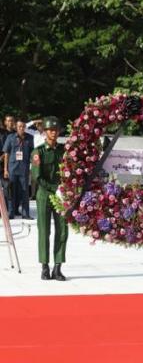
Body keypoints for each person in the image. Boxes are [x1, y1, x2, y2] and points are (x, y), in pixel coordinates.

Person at [31, 116, 68, 280]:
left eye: (55, 130)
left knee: (62, 231)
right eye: (50, 130)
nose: (53, 133)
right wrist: (55, 189)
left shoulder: (64, 151)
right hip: (45, 195)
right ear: (45, 132)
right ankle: (45, 267)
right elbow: (37, 177)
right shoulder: (38, 152)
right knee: (44, 230)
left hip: (61, 196)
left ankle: (58, 267)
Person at [3, 118, 34, 219]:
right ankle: (11, 213)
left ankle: (26, 213)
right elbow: (6, 154)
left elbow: (32, 154)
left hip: (24, 169)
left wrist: (31, 168)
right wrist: (5, 169)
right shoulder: (10, 137)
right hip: (12, 168)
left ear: (25, 127)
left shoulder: (30, 138)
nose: (21, 128)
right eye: (19, 126)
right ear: (16, 127)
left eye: (23, 126)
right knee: (11, 191)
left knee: (25, 192)